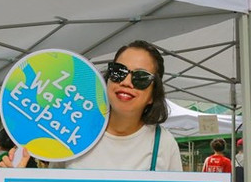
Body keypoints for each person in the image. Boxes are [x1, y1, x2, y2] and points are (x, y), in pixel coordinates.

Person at [46, 40, 182, 172]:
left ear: (153, 95)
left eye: (141, 77)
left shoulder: (164, 143)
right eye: (119, 72)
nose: (126, 82)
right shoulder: (75, 130)